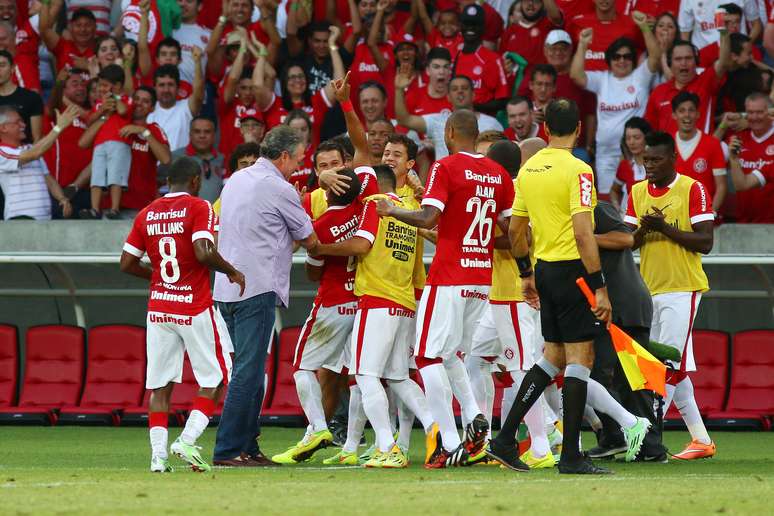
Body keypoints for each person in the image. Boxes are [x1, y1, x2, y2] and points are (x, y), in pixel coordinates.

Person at [377, 109, 514, 468]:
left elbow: (427, 217)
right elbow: (512, 233)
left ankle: (449, 442)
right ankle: (473, 417)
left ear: (450, 131)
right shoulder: (499, 174)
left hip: (449, 275)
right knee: (452, 354)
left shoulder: (446, 166)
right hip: (481, 278)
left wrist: (390, 212)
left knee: (426, 356)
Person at [487, 98, 615, 475]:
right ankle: (572, 455)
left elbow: (515, 230)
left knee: (554, 357)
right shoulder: (579, 170)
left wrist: (526, 273)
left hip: (543, 270)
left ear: (544, 130)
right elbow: (582, 232)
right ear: (579, 129)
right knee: (581, 359)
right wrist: (600, 286)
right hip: (573, 271)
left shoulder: (528, 171)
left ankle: (505, 438)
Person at [119, 156, 245, 474]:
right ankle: (187, 440)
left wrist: (158, 275)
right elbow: (203, 251)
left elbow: (126, 263)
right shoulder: (199, 206)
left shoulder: (147, 213)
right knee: (217, 378)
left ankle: (158, 457)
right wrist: (231, 271)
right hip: (194, 306)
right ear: (194, 181)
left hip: (159, 308)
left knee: (160, 387)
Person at [312, 164, 436, 469]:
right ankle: (438, 429)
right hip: (404, 301)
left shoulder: (374, 206)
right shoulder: (409, 209)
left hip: (377, 300)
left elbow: (362, 244)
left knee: (366, 375)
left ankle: (386, 445)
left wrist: (320, 247)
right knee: (397, 377)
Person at [212, 126, 319, 467]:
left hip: (227, 288)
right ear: (284, 156)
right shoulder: (279, 187)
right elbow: (310, 238)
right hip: (256, 287)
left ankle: (247, 446)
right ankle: (228, 449)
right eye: (297, 160)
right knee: (248, 371)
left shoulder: (236, 180)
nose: (297, 167)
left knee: (252, 370)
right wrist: (302, 206)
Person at [624, 131, 716, 461]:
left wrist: (664, 228)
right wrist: (643, 231)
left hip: (683, 288)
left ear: (672, 158)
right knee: (664, 365)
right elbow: (628, 244)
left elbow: (706, 242)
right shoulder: (636, 192)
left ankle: (648, 435)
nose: (648, 165)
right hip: (648, 290)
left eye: (656, 159)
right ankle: (701, 440)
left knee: (665, 363)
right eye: (645, 159)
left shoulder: (692, 188)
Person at [466, 137, 554, 469]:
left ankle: (543, 444)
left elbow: (523, 238)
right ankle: (484, 439)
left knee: (521, 369)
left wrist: (481, 236)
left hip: (515, 293)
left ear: (497, 164)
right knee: (473, 360)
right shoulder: (509, 189)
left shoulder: (514, 190)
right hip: (498, 296)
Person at [271, 169, 362, 465]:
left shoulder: (321, 226)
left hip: (332, 303)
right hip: (362, 303)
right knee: (359, 377)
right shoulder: (364, 212)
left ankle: (319, 429)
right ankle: (352, 445)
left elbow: (313, 272)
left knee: (302, 367)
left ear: (331, 192)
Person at [586, 200, 667, 463]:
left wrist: (585, 237)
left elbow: (625, 239)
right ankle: (618, 438)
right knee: (605, 374)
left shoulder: (597, 208)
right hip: (609, 305)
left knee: (632, 378)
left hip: (626, 303)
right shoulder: (566, 218)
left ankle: (648, 446)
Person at [570, 11, 661, 195]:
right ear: (609, 61)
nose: (622, 60)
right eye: (617, 57)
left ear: (633, 60)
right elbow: (576, 75)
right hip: (607, 154)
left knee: (638, 197)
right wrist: (582, 45)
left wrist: (644, 27)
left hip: (636, 153)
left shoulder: (640, 77)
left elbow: (655, 57)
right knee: (608, 199)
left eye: (627, 56)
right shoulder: (602, 79)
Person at [0, 105, 80, 220]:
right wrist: (59, 127)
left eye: (22, 121)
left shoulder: (30, 148)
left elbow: (48, 178)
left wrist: (62, 198)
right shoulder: (2, 152)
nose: (24, 125)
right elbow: (34, 154)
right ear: (3, 128)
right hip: (20, 218)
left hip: (44, 219)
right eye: (18, 122)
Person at [395, 75, 502, 159]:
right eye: (455, 89)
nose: (460, 91)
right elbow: (404, 120)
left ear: (473, 94)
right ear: (448, 97)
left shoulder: (492, 124)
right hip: (446, 181)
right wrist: (399, 89)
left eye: (464, 88)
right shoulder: (438, 121)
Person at [645, 33, 731, 135]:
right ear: (669, 64)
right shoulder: (658, 92)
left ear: (696, 62)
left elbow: (724, 63)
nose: (683, 63)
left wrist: (723, 31)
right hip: (669, 151)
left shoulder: (706, 81)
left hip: (701, 150)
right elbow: (649, 130)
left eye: (688, 58)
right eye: (678, 59)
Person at [80, 64, 132, 219]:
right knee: (96, 176)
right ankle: (95, 209)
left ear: (117, 86)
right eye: (100, 85)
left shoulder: (125, 98)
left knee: (116, 176)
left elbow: (123, 111)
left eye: (105, 85)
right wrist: (103, 110)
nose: (101, 89)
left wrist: (115, 98)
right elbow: (89, 121)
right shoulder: (99, 104)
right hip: (99, 144)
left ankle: (114, 209)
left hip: (119, 142)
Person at [670, 91, 727, 214]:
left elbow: (721, 186)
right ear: (674, 115)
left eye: (691, 110)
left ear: (698, 114)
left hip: (703, 219)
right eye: (682, 111)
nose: (687, 115)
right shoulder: (666, 145)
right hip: (673, 219)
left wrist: (711, 214)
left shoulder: (713, 144)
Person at [451, 3, 509, 115]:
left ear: (483, 28)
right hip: (455, 121)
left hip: (483, 124)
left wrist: (471, 106)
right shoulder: (453, 56)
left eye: (475, 24)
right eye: (466, 24)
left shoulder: (493, 59)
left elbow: (503, 100)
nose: (470, 28)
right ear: (460, 26)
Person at [725, 92, 774, 223]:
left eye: (759, 112)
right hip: (743, 221)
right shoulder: (736, 140)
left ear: (770, 113)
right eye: (750, 113)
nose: (754, 117)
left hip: (771, 222)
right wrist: (723, 124)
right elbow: (707, 151)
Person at [147, 48, 205, 152]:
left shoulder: (186, 107)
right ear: (154, 87)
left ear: (178, 88)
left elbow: (199, 93)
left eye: (170, 85)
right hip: (152, 167)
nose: (166, 90)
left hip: (180, 166)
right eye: (161, 85)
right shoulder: (146, 110)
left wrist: (197, 62)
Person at [567, 0, 644, 72]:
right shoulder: (577, 23)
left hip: (620, 83)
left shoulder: (631, 24)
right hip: (584, 83)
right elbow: (568, 54)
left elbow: (645, 54)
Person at [166, 117, 224, 204]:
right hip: (183, 215)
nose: (202, 136)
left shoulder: (223, 159)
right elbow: (154, 183)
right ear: (190, 134)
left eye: (207, 131)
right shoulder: (175, 157)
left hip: (215, 215)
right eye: (197, 131)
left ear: (214, 135)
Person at [679, 0, 761, 50]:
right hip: (705, 58)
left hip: (737, 57)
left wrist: (743, 48)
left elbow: (756, 25)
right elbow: (684, 34)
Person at [39, 3, 97, 72]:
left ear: (95, 27)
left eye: (88, 25)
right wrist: (45, 2)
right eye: (78, 25)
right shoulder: (62, 46)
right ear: (70, 27)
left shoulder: (102, 48)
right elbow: (44, 29)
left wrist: (89, 67)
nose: (83, 29)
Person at [610, 117, 651, 213]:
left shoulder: (657, 164)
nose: (632, 142)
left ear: (647, 138)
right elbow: (614, 191)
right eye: (628, 138)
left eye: (636, 138)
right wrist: (617, 207)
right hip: (630, 221)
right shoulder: (624, 165)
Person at [0, 51, 43, 144]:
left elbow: (37, 137)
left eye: (2, 65)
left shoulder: (31, 97)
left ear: (12, 68)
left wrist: (31, 157)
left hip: (25, 153)